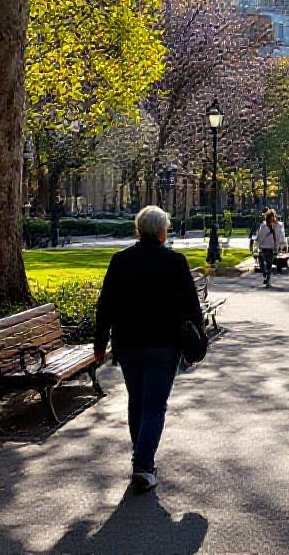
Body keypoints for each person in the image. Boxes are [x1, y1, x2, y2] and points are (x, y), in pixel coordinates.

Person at [95, 205, 202, 494]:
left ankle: (141, 457)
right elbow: (192, 306)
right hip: (164, 345)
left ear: (139, 230)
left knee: (137, 402)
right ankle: (142, 465)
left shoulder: (120, 261)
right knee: (154, 406)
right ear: (162, 231)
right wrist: (198, 340)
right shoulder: (175, 262)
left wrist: (99, 343)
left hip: (128, 344)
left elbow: (105, 305)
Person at [256, 209, 286, 287]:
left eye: (274, 217)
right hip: (264, 248)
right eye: (271, 217)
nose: (273, 219)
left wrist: (281, 246)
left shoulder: (276, 226)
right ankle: (266, 277)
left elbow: (280, 234)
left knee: (267, 265)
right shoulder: (264, 226)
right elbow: (259, 237)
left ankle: (267, 278)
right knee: (264, 265)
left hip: (269, 248)